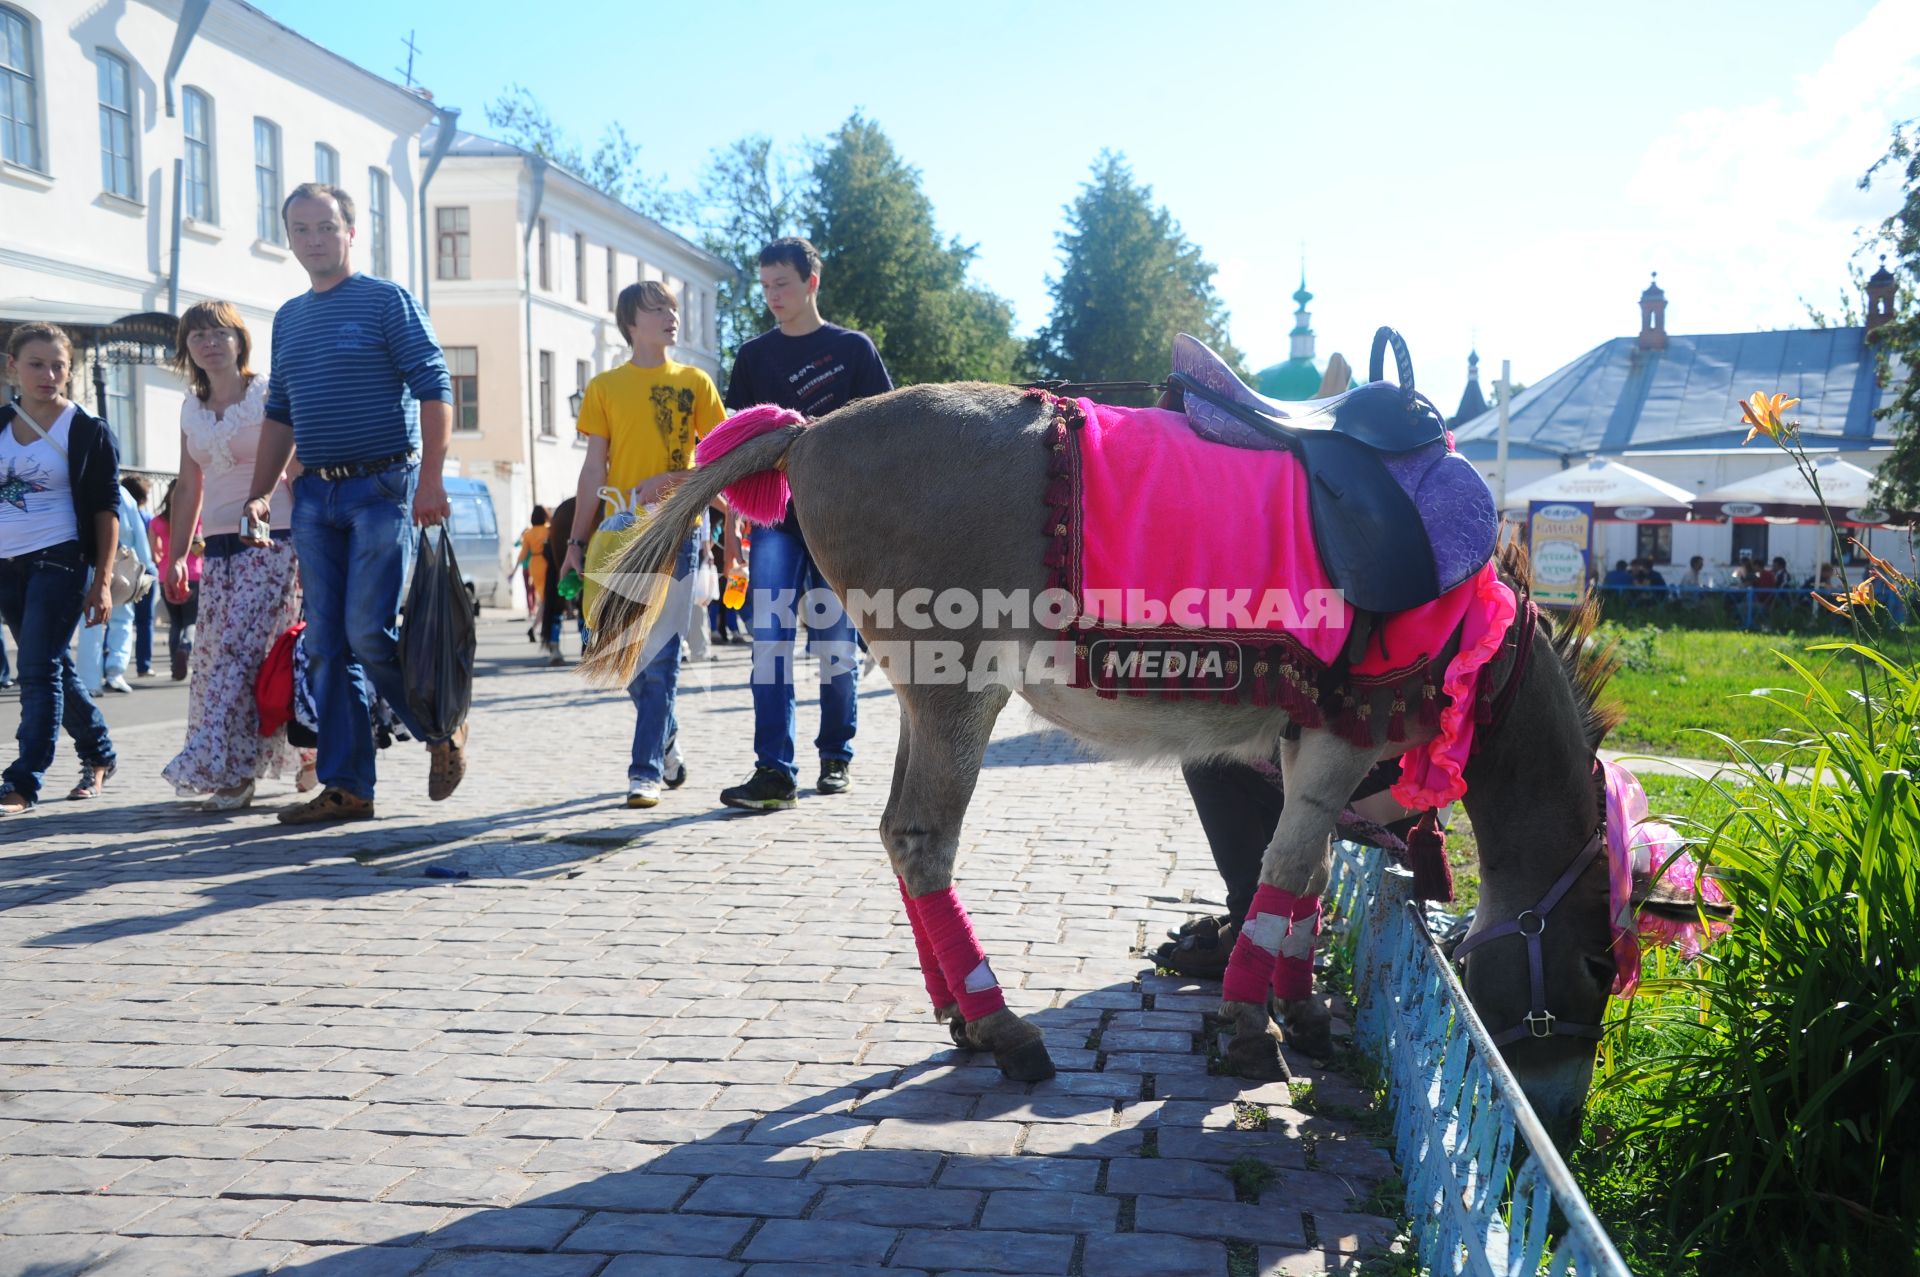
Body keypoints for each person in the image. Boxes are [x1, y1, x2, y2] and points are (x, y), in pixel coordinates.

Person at [239, 181, 466, 825]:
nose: (314, 240)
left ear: (350, 232)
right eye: (301, 230)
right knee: (325, 646)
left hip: (383, 488)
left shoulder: (386, 301)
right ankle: (348, 786)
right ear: (289, 239)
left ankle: (439, 731)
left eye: (325, 228)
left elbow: (434, 383)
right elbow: (280, 412)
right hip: (313, 496)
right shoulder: (288, 317)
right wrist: (259, 491)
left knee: (369, 633)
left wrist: (433, 479)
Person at [716, 237, 892, 812]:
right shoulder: (752, 358)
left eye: (782, 284)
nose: (772, 296)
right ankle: (774, 771)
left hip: (841, 523)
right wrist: (736, 527)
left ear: (811, 282)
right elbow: (735, 445)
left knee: (837, 643)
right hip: (775, 521)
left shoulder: (854, 350)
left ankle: (836, 756)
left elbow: (884, 434)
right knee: (768, 644)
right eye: (765, 286)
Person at [559, 281, 725, 808]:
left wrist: (674, 478)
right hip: (618, 534)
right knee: (617, 650)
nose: (671, 316)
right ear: (632, 323)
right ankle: (666, 739)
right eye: (659, 309)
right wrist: (575, 540)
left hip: (678, 527)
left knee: (663, 655)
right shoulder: (606, 387)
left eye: (673, 308)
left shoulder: (696, 382)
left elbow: (720, 460)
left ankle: (645, 770)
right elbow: (592, 468)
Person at [161, 301, 308, 811]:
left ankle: (233, 770)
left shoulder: (267, 394)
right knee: (222, 660)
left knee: (239, 658)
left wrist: (313, 550)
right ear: (187, 350)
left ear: (240, 341)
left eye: (219, 333)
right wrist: (177, 556)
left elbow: (298, 469)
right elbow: (188, 486)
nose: (208, 343)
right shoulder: (190, 409)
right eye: (197, 335)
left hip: (273, 543)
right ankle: (305, 750)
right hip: (219, 552)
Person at [0, 323, 120, 813]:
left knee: (36, 669)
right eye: (36, 364)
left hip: (61, 557)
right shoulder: (0, 424)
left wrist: (104, 582)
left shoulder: (86, 429)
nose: (48, 375)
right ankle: (99, 755)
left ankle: (23, 781)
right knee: (52, 666)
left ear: (70, 371)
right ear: (12, 367)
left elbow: (105, 510)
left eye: (58, 366)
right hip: (7, 565)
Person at [75, 472, 155, 695]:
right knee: (121, 618)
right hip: (121, 565)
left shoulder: (81, 487)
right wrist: (147, 564)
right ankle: (114, 672)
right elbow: (138, 531)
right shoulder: (123, 494)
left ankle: (90, 678)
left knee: (91, 622)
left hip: (94, 563)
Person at [151, 482, 204, 680]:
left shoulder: (157, 522)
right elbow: (199, 546)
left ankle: (175, 663)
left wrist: (165, 561)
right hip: (193, 573)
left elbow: (154, 553)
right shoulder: (195, 518)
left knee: (175, 622)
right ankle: (186, 646)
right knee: (191, 620)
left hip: (166, 574)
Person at [123, 476, 155, 677]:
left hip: (122, 570)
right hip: (143, 570)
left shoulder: (119, 513)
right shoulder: (147, 518)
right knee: (145, 621)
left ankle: (110, 660)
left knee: (119, 618)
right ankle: (143, 665)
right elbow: (149, 548)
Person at [515, 505, 549, 634]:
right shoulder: (548, 530)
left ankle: (536, 627)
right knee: (546, 598)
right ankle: (540, 628)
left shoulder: (528, 533)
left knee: (543, 597)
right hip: (546, 563)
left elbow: (523, 553)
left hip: (534, 564)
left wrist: (513, 571)